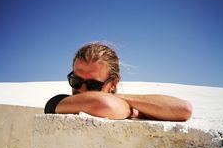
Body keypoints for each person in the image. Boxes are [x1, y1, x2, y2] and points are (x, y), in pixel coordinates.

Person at [45, 42, 192, 121]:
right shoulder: (58, 103)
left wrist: (122, 102)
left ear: (113, 83)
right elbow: (104, 104)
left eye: (93, 85)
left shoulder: (122, 103)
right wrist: (135, 111)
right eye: (76, 80)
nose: (81, 90)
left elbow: (184, 109)